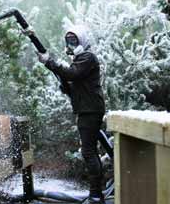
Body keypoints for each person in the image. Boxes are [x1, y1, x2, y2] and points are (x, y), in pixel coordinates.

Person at [37, 25, 106, 204]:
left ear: (82, 41)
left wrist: (50, 62)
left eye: (74, 40)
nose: (70, 44)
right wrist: (64, 83)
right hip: (87, 109)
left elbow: (73, 74)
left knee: (89, 152)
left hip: (90, 110)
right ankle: (96, 194)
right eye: (68, 41)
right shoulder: (79, 59)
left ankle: (96, 195)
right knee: (90, 151)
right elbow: (72, 80)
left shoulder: (87, 57)